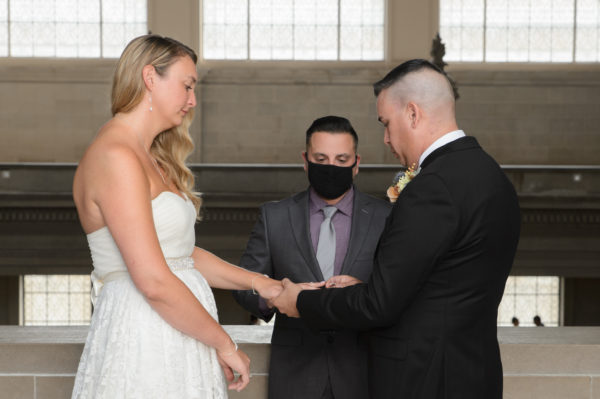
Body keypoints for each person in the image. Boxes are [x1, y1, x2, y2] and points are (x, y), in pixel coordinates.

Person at [273, 59, 521, 399]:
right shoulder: (491, 175)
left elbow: (379, 306)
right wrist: (369, 286)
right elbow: (447, 286)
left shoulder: (434, 187)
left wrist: (302, 300)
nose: (387, 139)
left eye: (386, 123)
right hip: (473, 374)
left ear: (413, 114)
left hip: (425, 379)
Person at [70, 34, 282, 398]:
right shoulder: (116, 156)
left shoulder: (147, 155)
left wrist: (258, 282)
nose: (192, 101)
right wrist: (224, 343)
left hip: (176, 330)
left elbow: (178, 256)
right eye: (186, 86)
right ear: (150, 78)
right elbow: (153, 279)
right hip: (146, 335)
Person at [233, 116, 392, 399]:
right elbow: (244, 285)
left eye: (342, 160)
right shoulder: (275, 216)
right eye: (321, 158)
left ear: (357, 164)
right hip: (295, 373)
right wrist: (277, 296)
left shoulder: (386, 218)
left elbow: (398, 291)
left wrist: (364, 292)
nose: (331, 167)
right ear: (306, 160)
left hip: (365, 371)